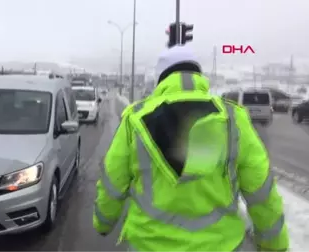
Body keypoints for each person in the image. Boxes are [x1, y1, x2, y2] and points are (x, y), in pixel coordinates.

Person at [93, 46, 289, 252]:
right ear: (198, 75)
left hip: (149, 245)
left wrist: (103, 222)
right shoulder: (233, 118)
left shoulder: (135, 119)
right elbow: (261, 192)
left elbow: (113, 182)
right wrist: (274, 245)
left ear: (161, 78)